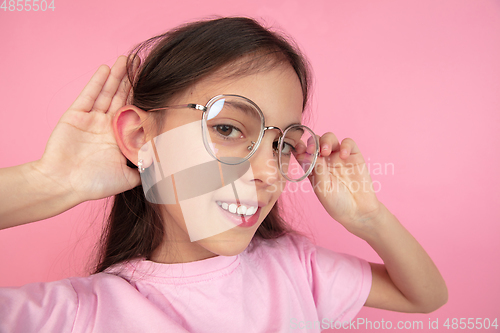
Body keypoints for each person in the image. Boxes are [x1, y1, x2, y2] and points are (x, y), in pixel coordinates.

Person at [0, 17, 447, 332]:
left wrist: (367, 217)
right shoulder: (77, 314)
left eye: (282, 145)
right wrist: (50, 181)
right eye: (228, 128)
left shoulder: (295, 270)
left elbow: (424, 297)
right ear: (140, 136)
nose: (268, 172)